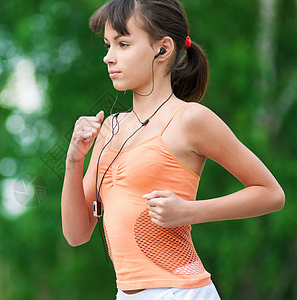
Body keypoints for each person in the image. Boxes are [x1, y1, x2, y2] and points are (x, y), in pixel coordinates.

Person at [61, 0, 285, 299]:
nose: (109, 58)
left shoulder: (190, 119)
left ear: (163, 49)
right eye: (107, 45)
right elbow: (77, 234)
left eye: (123, 44)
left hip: (182, 292)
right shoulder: (109, 129)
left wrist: (189, 211)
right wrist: (74, 160)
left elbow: (271, 193)